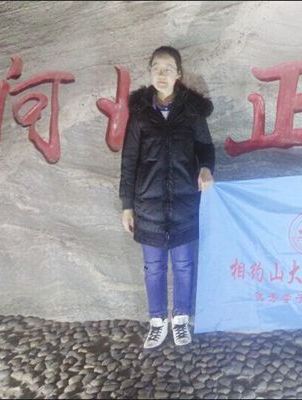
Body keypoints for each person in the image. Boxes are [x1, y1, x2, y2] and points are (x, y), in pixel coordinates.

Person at [119, 46, 215, 350]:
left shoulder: (192, 112)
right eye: (156, 69)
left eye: (168, 69)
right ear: (150, 72)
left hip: (185, 201)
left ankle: (181, 319)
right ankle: (157, 321)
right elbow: (129, 160)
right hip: (148, 204)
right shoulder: (140, 114)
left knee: (185, 264)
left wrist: (206, 168)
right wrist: (127, 205)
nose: (161, 74)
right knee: (154, 267)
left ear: (178, 74)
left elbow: (206, 148)